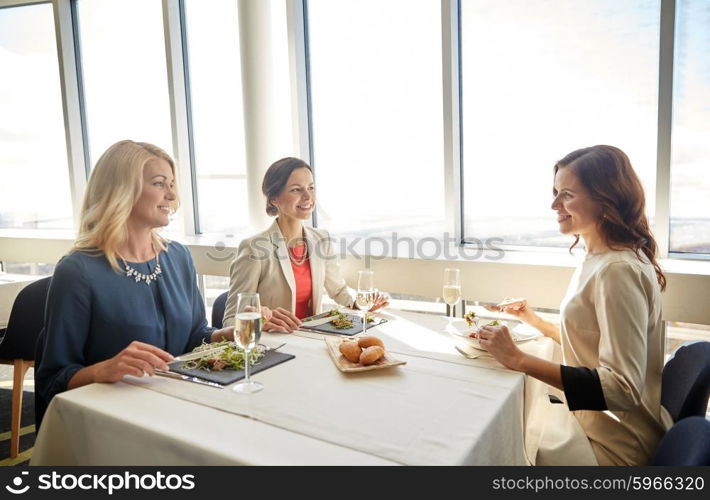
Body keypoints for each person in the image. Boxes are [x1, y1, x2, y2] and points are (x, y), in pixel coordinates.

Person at [478, 145, 671, 466]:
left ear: (605, 200)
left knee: (502, 443)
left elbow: (623, 389)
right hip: (596, 424)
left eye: (566, 194)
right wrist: (531, 319)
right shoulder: (599, 258)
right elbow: (591, 345)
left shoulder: (617, 270)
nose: (554, 204)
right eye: (556, 192)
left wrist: (517, 359)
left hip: (615, 446)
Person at [35, 140, 255, 404]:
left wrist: (223, 335)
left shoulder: (178, 256)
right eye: (159, 183)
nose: (172, 196)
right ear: (122, 191)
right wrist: (104, 369)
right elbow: (52, 380)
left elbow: (195, 335)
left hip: (183, 401)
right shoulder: (78, 271)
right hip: (117, 414)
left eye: (172, 184)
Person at [223, 157, 388, 332]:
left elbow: (339, 291)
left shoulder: (321, 240)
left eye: (311, 188)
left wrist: (361, 303)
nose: (308, 197)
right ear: (274, 199)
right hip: (274, 347)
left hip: (312, 338)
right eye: (296, 190)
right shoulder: (254, 248)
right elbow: (230, 321)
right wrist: (261, 323)